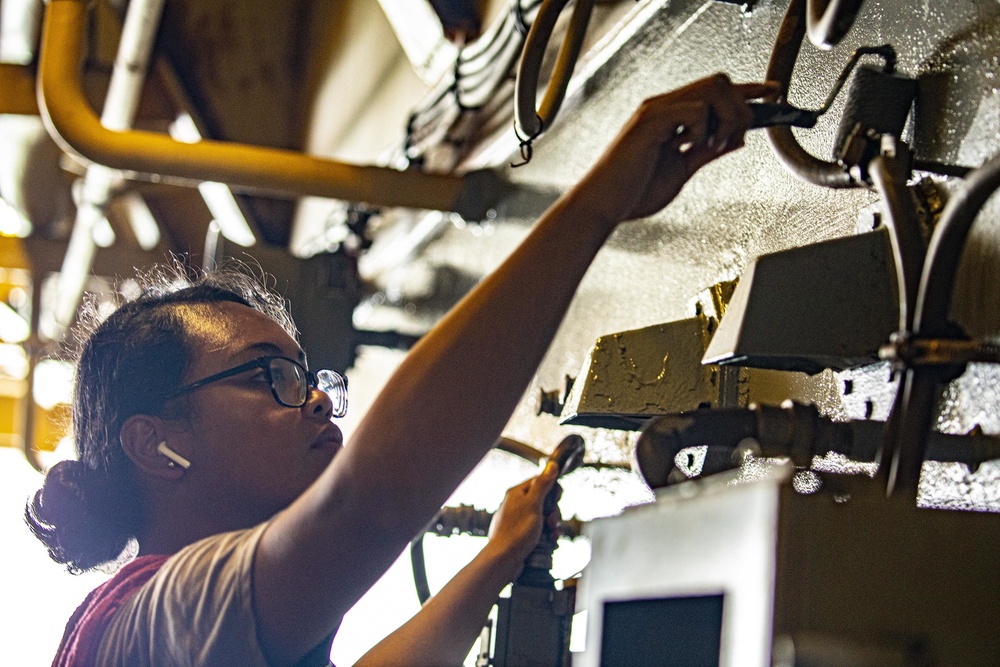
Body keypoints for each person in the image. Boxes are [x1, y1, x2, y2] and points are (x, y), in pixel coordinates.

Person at [26, 74, 772, 666]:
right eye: (268, 377)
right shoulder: (154, 623)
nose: (317, 402)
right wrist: (601, 201)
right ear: (155, 444)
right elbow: (373, 499)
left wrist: (494, 559)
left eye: (308, 376)